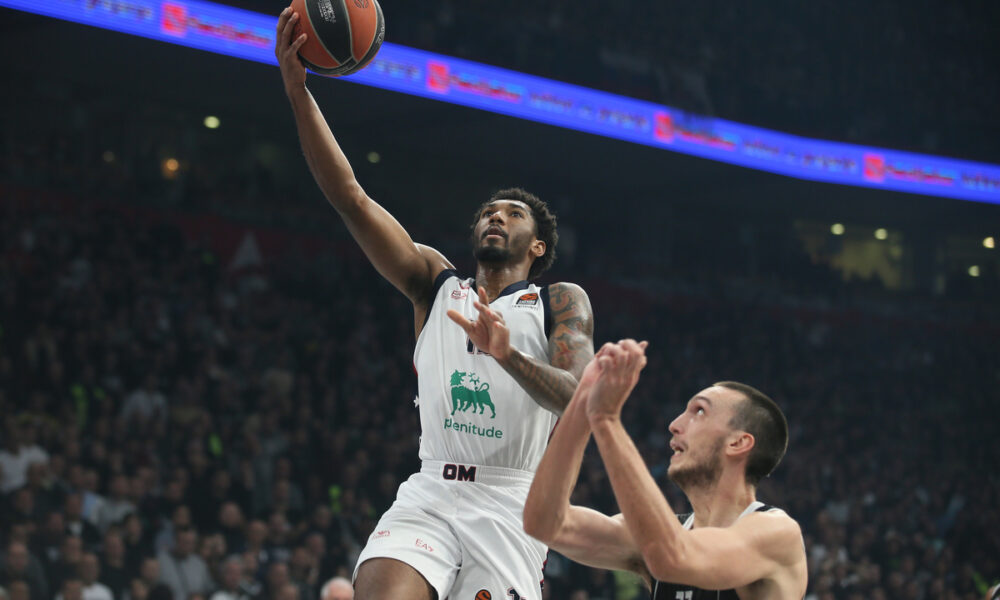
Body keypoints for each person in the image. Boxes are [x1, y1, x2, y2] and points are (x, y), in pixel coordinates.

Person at [274, 8, 595, 600]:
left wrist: (509, 356)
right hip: (431, 492)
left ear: (540, 244)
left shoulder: (559, 303)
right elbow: (350, 197)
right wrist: (298, 93)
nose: (495, 214)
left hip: (511, 502)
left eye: (513, 212)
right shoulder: (433, 281)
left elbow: (581, 398)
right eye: (488, 210)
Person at [523, 340, 808, 598]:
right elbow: (545, 523)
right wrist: (582, 398)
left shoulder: (777, 533)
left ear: (738, 442)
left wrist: (607, 419)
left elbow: (675, 557)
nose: (674, 424)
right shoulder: (658, 537)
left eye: (699, 411)